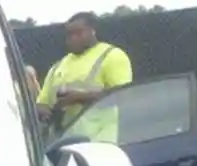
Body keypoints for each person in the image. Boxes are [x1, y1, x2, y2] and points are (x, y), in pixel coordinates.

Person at [36, 12, 133, 140]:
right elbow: (42, 103)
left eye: (78, 32)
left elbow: (124, 97)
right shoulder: (58, 66)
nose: (73, 38)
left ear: (93, 31)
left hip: (100, 142)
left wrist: (79, 97)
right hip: (63, 144)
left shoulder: (112, 56)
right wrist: (44, 111)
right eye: (69, 34)